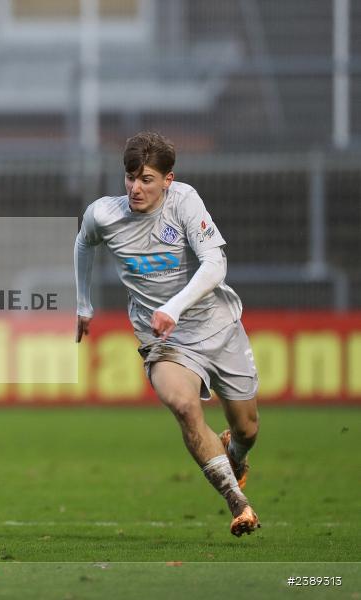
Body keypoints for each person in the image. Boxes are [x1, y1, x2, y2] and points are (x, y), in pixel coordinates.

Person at [75, 131, 260, 537]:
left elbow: (215, 264)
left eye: (146, 179)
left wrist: (173, 307)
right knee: (183, 404)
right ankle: (238, 502)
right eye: (130, 177)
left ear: (168, 179)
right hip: (161, 336)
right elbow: (83, 244)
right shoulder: (104, 214)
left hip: (215, 324)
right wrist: (84, 304)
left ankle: (236, 453)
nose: (135, 188)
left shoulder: (185, 202)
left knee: (247, 428)